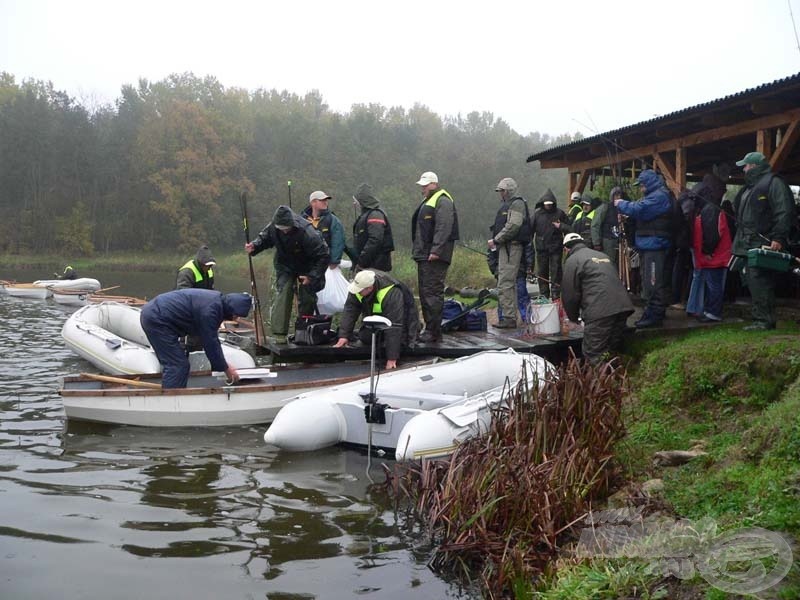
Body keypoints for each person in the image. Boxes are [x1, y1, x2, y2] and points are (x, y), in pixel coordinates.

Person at [731, 151, 796, 330]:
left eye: (745, 166)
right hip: (746, 243)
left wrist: (779, 237)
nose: (743, 169)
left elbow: (783, 211)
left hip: (764, 241)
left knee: (760, 279)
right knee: (750, 279)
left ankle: (764, 320)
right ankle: (759, 317)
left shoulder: (774, 183)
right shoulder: (748, 188)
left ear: (753, 166)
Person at [245, 205, 329, 341]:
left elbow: (323, 256)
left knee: (307, 297)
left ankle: (303, 331)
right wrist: (254, 246)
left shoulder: (308, 232)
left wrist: (312, 276)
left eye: (286, 229)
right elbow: (264, 238)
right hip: (284, 264)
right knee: (283, 293)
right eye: (281, 229)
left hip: (307, 265)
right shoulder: (273, 227)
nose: (284, 231)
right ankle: (279, 335)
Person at [140, 289, 252, 388]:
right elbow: (211, 342)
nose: (236, 319)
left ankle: (176, 393)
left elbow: (201, 333)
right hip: (156, 318)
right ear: (231, 309)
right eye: (236, 315)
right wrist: (226, 369)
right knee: (177, 365)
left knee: (179, 363)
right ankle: (171, 401)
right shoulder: (211, 311)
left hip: (159, 315)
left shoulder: (216, 302)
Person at [561, 233, 634, 364]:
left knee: (593, 353)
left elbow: (570, 295)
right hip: (623, 308)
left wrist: (573, 318)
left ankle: (601, 382)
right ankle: (620, 378)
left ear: (566, 249)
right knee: (611, 350)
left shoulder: (572, 260)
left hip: (600, 312)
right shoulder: (603, 255)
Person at [614, 169, 673, 328]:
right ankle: (652, 311)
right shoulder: (654, 196)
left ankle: (655, 315)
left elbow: (640, 209)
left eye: (641, 186)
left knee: (653, 282)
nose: (640, 189)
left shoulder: (659, 196)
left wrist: (621, 204)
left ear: (648, 184)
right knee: (649, 282)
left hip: (656, 246)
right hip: (649, 246)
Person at [332, 269, 420, 369]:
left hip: (402, 319)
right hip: (379, 319)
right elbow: (350, 310)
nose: (356, 292)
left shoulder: (392, 292)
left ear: (370, 288)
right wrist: (344, 335)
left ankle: (393, 347)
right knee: (365, 337)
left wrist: (392, 358)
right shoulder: (358, 288)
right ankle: (384, 340)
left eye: (359, 291)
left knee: (401, 342)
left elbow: (395, 325)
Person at [411, 171, 459, 343]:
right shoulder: (429, 200)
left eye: (425, 185)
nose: (422, 188)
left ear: (434, 184)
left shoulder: (443, 200)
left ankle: (434, 331)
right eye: (422, 185)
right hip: (424, 254)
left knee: (432, 293)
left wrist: (436, 250)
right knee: (425, 292)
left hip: (434, 256)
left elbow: (443, 227)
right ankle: (429, 328)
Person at [487, 177, 530, 328]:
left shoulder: (517, 203)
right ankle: (509, 317)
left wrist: (496, 239)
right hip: (507, 246)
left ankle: (509, 318)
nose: (500, 194)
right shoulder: (509, 204)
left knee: (505, 282)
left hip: (511, 247)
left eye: (502, 191)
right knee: (507, 283)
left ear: (507, 191)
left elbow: (513, 225)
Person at [690, 178, 732, 322]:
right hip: (716, 256)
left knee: (714, 286)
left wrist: (708, 252)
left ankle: (713, 313)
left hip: (715, 257)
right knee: (713, 284)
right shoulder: (711, 208)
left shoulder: (710, 209)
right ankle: (710, 311)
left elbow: (712, 234)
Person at [531, 189, 569, 299]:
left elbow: (569, 228)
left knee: (556, 272)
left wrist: (561, 228)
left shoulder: (560, 213)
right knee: (542, 273)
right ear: (543, 203)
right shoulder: (537, 215)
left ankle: (556, 294)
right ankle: (543, 294)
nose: (548, 206)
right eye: (546, 204)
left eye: (550, 204)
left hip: (556, 248)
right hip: (541, 249)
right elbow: (530, 230)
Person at [350, 183, 394, 272]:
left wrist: (362, 262)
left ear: (362, 200)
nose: (354, 203)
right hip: (369, 266)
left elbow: (375, 240)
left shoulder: (375, 215)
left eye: (356, 200)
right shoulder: (366, 215)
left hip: (375, 266)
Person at [301, 190, 346, 270]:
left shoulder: (333, 220)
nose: (325, 202)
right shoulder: (301, 219)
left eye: (326, 200)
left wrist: (334, 261)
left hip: (327, 265)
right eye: (322, 200)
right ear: (313, 202)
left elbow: (338, 242)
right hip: (306, 263)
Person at [591, 187, 623, 267]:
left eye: (619, 195)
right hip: (608, 241)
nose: (618, 197)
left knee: (620, 265)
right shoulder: (605, 207)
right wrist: (596, 243)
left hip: (620, 241)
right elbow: (595, 225)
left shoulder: (623, 208)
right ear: (612, 196)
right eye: (616, 195)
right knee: (609, 264)